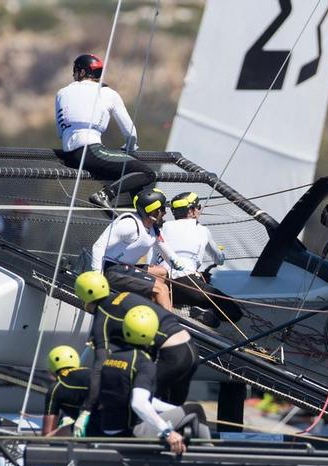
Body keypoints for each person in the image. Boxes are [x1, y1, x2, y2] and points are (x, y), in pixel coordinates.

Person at [89, 305, 212, 455]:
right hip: (131, 433)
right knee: (195, 410)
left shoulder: (111, 359)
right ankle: (212, 460)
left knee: (182, 412)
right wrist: (167, 432)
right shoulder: (143, 363)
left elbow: (136, 398)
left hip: (106, 430)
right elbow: (138, 403)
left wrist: (176, 410)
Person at [74, 271, 198, 406]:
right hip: (190, 347)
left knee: (136, 406)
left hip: (170, 355)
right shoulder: (127, 296)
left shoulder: (102, 315)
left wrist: (88, 406)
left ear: (83, 298)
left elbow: (99, 368)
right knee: (171, 412)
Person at [54, 53, 156, 209]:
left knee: (129, 174)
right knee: (147, 173)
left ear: (81, 72)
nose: (73, 75)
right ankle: (105, 195)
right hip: (91, 152)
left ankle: (137, 209)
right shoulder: (108, 93)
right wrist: (130, 149)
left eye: (75, 71)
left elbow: (60, 132)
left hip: (69, 155)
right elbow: (131, 133)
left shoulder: (61, 93)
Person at [152, 191, 243, 328]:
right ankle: (197, 310)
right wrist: (220, 254)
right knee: (234, 312)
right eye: (198, 207)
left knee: (187, 290)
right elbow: (219, 260)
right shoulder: (202, 230)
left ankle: (184, 308)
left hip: (161, 285)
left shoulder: (162, 228)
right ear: (192, 211)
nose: (200, 210)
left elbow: (152, 259)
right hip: (187, 283)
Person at [90, 188, 183, 311]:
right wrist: (97, 274)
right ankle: (170, 325)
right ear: (151, 211)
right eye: (162, 209)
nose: (165, 213)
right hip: (111, 271)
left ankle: (152, 307)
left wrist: (175, 260)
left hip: (126, 267)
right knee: (162, 288)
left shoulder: (152, 229)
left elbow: (162, 245)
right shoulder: (129, 225)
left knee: (162, 273)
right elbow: (99, 246)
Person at [41, 345, 91, 436]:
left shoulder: (56, 388)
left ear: (50, 371)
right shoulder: (91, 372)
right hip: (114, 421)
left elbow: (47, 432)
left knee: (48, 437)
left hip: (91, 425)